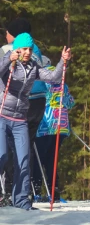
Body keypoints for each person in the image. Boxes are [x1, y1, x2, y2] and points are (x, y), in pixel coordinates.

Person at [0, 33, 71, 210]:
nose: (27, 52)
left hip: (20, 118)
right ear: (16, 48)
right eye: (24, 49)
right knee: (2, 156)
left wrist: (63, 62)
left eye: (30, 49)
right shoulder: (7, 62)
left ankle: (22, 200)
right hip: (1, 114)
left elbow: (54, 77)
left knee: (24, 159)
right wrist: (9, 58)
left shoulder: (33, 67)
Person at [32, 63, 76, 202]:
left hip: (45, 125)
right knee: (52, 158)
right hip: (61, 127)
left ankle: (36, 188)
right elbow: (70, 103)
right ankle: (54, 189)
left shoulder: (42, 83)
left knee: (39, 158)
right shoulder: (63, 85)